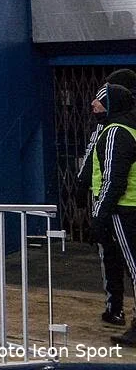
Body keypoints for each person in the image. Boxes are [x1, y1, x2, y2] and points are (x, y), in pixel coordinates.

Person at [88, 81, 136, 347]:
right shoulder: (131, 128)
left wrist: (100, 214)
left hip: (125, 209)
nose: (94, 104)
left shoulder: (115, 132)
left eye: (100, 100)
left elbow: (113, 179)